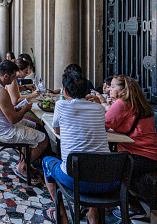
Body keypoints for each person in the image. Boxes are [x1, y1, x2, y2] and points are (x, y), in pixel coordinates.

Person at [42, 70, 115, 224]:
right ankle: (93, 215)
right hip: (107, 180)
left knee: (47, 161)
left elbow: (56, 131)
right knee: (95, 161)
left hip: (74, 179)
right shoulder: (99, 109)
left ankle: (61, 216)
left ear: (65, 91)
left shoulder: (61, 105)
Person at [103, 74, 157, 220]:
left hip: (142, 155)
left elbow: (103, 123)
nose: (110, 89)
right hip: (152, 154)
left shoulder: (121, 103)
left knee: (108, 170)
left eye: (113, 86)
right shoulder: (135, 103)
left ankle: (134, 208)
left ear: (123, 90)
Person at [0, 60, 48, 180]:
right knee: (44, 140)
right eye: (13, 77)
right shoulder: (1, 92)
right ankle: (22, 167)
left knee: (34, 125)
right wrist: (25, 109)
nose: (13, 81)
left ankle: (26, 160)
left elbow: (4, 109)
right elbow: (13, 119)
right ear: (6, 76)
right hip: (5, 132)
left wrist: (15, 108)